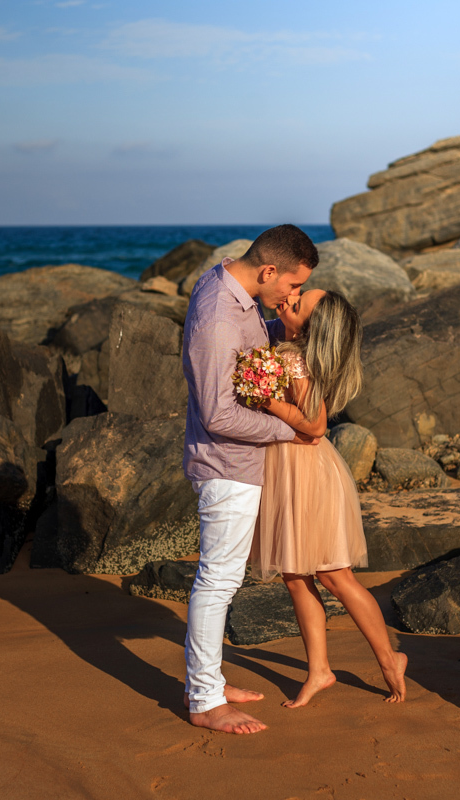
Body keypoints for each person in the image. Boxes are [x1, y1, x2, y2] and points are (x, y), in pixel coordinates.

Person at [181, 223, 321, 735]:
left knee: (224, 579)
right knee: (216, 581)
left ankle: (211, 681)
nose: (292, 295)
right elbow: (219, 415)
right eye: (290, 285)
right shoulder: (220, 316)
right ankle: (204, 700)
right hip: (226, 466)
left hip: (239, 463)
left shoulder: (234, 294)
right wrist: (292, 429)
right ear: (268, 270)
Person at [252, 288, 408, 707]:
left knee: (334, 576)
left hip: (307, 475)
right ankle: (320, 670)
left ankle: (390, 658)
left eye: (297, 304)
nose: (288, 299)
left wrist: (267, 402)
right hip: (295, 472)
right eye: (294, 294)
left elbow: (316, 425)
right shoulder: (286, 350)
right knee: (297, 574)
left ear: (311, 330)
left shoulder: (294, 360)